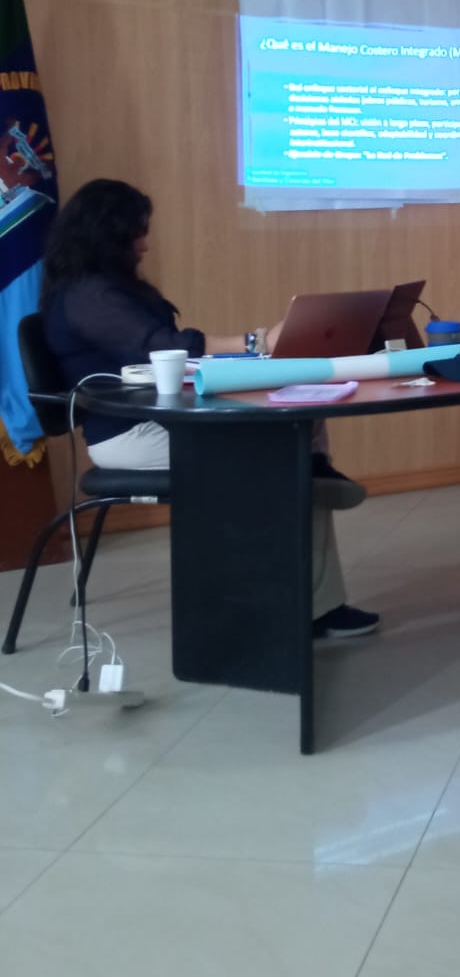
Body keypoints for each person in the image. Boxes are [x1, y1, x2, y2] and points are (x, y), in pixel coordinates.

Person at [40, 179, 379, 638]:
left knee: (298, 412)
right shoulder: (88, 296)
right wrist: (258, 340)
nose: (144, 245)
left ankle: (316, 530)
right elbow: (162, 347)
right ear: (107, 234)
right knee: (286, 452)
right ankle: (294, 592)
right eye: (137, 233)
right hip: (129, 435)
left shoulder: (107, 288)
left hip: (167, 417)